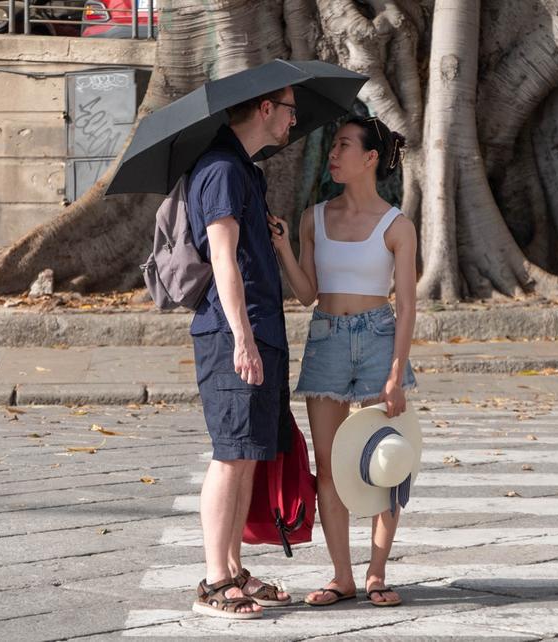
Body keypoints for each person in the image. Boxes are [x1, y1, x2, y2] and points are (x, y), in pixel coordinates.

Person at [269, 115, 417, 608]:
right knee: (329, 466)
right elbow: (307, 293)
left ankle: (377, 573)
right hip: (327, 339)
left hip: (378, 337)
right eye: (332, 145)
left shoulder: (397, 225)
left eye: (344, 146)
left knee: (385, 462)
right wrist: (284, 247)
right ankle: (341, 576)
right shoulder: (313, 218)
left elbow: (408, 306)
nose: (333, 154)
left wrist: (396, 373)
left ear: (370, 158)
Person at [186, 86, 298, 620]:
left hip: (260, 329)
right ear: (266, 108)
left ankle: (232, 570)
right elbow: (223, 259)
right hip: (233, 333)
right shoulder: (222, 170)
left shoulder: (246, 171)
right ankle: (213, 582)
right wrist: (242, 338)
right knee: (230, 453)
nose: (294, 122)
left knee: (249, 451)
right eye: (291, 110)